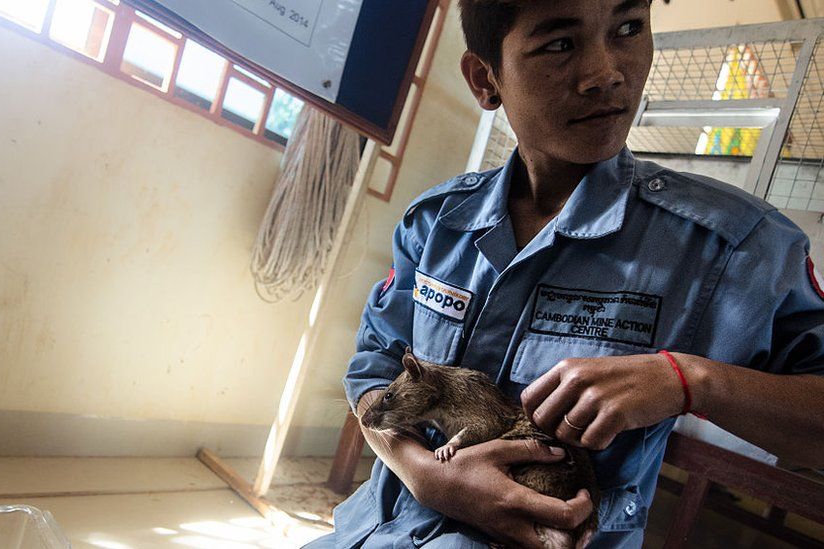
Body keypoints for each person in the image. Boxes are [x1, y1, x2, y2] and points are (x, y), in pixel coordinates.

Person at [305, 0, 824, 547]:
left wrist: (691, 381)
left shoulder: (732, 247)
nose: (607, 73)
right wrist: (423, 474)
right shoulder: (437, 223)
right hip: (373, 532)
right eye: (559, 43)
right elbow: (375, 367)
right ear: (486, 80)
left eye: (628, 28)